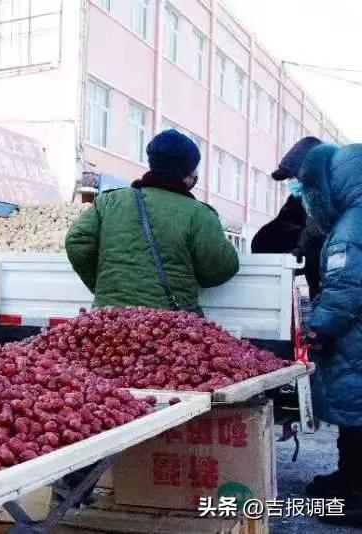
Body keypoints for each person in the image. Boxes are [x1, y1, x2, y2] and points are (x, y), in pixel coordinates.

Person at [65, 129, 239, 312]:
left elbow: (76, 241)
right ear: (188, 173)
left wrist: (105, 287)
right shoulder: (199, 214)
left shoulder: (109, 201)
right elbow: (219, 269)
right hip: (170, 325)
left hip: (109, 319)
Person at [296, 143, 362, 527]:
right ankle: (347, 477)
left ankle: (357, 492)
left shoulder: (353, 223)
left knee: (357, 412)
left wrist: (317, 327)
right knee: (352, 412)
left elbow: (345, 287)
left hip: (354, 335)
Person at [251, 136, 325, 299]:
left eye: (294, 177)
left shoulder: (337, 205)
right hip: (320, 296)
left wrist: (302, 249)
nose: (292, 183)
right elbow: (267, 243)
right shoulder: (298, 202)